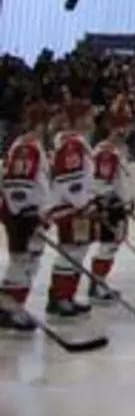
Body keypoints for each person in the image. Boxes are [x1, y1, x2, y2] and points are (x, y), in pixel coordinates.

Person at [0, 102, 51, 332]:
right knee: (22, 261)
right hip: (23, 213)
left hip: (29, 213)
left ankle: (13, 307)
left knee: (29, 261)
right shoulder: (27, 146)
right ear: (41, 123)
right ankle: (8, 309)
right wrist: (26, 210)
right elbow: (17, 182)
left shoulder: (31, 145)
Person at [46, 101, 96, 318]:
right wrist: (84, 204)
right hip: (72, 209)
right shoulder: (70, 144)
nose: (92, 121)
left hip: (77, 207)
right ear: (78, 119)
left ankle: (66, 295)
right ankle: (60, 298)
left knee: (78, 250)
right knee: (70, 251)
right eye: (89, 116)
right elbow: (70, 181)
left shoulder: (75, 142)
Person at [87, 110, 135, 302]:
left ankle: (99, 282)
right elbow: (100, 182)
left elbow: (121, 180)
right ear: (118, 128)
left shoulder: (119, 150)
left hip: (119, 206)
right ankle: (97, 284)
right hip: (109, 206)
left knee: (113, 243)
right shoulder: (105, 152)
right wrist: (111, 201)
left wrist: (128, 200)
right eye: (128, 126)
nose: (131, 130)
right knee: (108, 245)